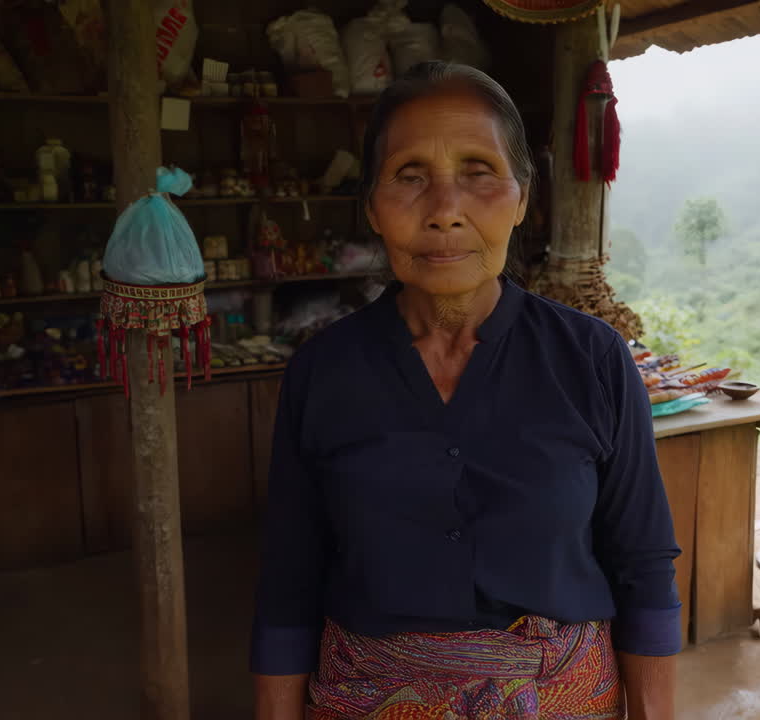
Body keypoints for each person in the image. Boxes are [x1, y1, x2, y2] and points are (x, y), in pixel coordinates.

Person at [251, 61, 681, 720]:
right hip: (366, 698)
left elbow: (643, 564)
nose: (446, 212)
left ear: (522, 196)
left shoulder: (592, 358)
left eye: (478, 173)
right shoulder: (323, 371)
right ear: (372, 205)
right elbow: (288, 579)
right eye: (410, 176)